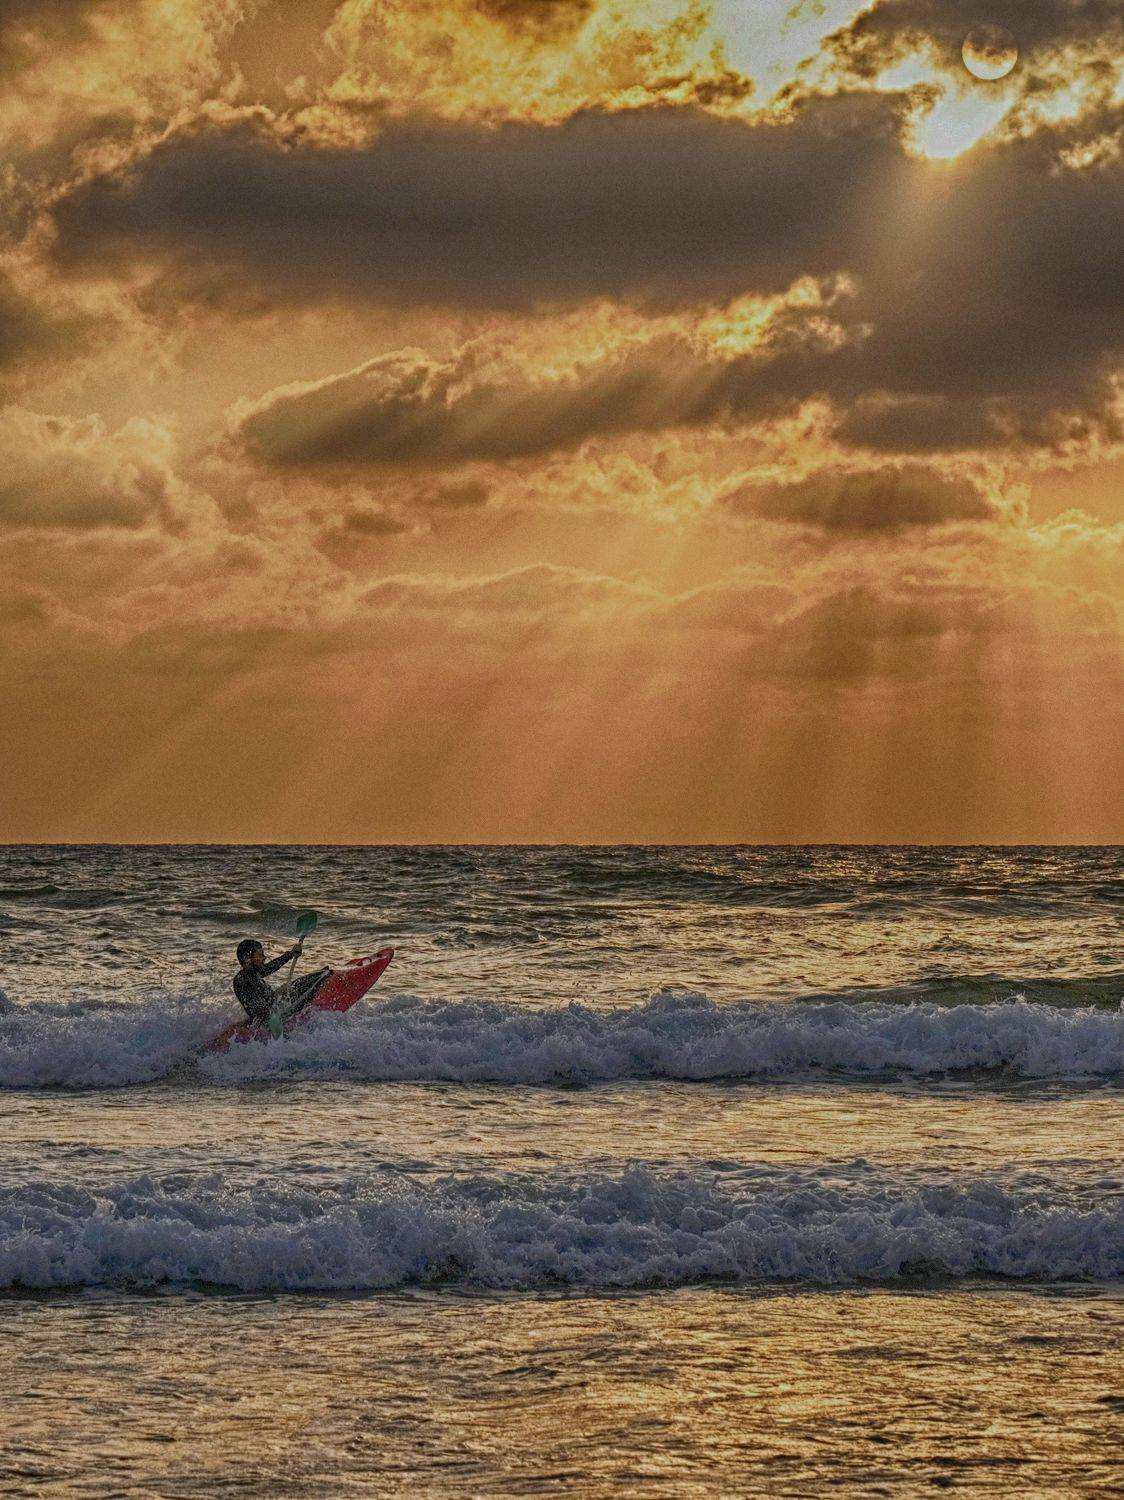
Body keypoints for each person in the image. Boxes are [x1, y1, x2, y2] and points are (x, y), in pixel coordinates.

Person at [233, 938, 329, 1027]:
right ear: (247, 959)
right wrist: (280, 993)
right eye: (260, 955)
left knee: (292, 986)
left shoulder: (253, 972)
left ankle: (319, 975)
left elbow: (270, 967)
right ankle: (322, 978)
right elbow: (263, 1010)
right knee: (296, 988)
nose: (264, 957)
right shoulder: (243, 980)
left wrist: (291, 954)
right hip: (271, 1021)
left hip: (275, 1010)